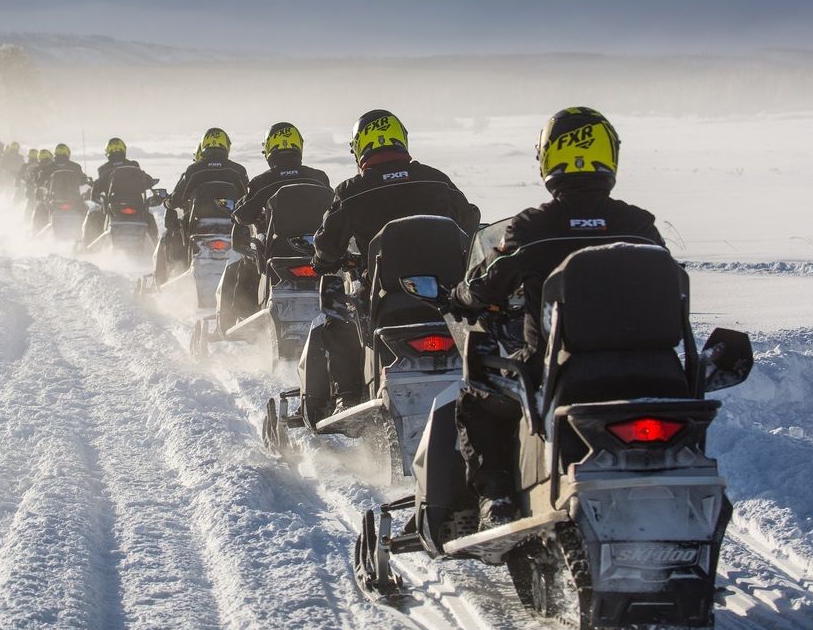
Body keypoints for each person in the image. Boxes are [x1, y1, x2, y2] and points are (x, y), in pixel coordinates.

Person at [452, 107, 665, 529]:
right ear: (611, 156)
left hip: (559, 370)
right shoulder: (639, 224)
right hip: (655, 375)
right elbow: (669, 284)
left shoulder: (535, 226)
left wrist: (460, 296)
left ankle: (497, 499)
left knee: (478, 398)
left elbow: (487, 283)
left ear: (549, 158)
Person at [311, 109, 480, 413]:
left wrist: (325, 262)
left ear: (360, 146)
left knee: (338, 314)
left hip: (383, 298)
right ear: (401, 139)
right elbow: (469, 220)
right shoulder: (436, 180)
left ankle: (347, 395)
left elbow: (325, 245)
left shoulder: (351, 192)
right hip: (447, 299)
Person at [218, 122, 331, 327]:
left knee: (244, 265)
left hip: (278, 253)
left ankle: (239, 321)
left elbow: (243, 215)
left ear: (269, 149)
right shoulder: (319, 178)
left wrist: (239, 215)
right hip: (318, 253)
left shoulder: (262, 182)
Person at [155, 128, 248, 282]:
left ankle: (172, 273)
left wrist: (168, 202)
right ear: (226, 146)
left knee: (174, 234)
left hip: (198, 227)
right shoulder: (238, 170)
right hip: (231, 228)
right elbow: (247, 199)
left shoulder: (194, 170)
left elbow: (178, 198)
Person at [83, 137, 158, 246]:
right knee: (149, 217)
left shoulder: (104, 169)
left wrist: (95, 192)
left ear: (107, 152)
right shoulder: (134, 165)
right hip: (136, 203)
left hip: (114, 205)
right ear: (123, 150)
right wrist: (150, 182)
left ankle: (88, 248)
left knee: (94, 214)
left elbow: (98, 186)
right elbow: (146, 179)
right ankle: (155, 249)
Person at [32, 143, 89, 230]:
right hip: (74, 199)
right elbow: (83, 180)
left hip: (54, 200)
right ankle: (85, 233)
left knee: (40, 209)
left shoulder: (48, 167)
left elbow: (39, 181)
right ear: (67, 154)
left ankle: (36, 232)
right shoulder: (75, 167)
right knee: (86, 210)